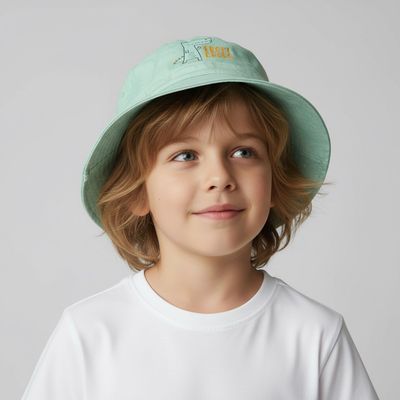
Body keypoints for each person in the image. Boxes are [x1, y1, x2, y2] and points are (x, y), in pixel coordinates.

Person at [21, 35, 380, 399]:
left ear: (275, 181)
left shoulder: (316, 336)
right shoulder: (89, 335)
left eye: (243, 152)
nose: (219, 177)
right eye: (185, 156)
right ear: (137, 191)